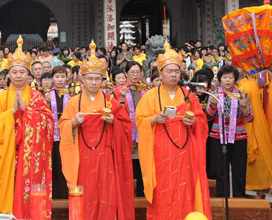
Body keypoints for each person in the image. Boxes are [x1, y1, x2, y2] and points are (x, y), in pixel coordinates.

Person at [59, 41, 134, 219]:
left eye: (97, 78)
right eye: (90, 78)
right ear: (82, 79)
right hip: (81, 156)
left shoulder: (110, 101)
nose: (93, 82)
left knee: (106, 194)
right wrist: (73, 123)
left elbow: (126, 126)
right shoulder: (73, 102)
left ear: (103, 79)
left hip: (105, 155)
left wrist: (113, 121)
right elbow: (63, 126)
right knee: (85, 194)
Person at [136, 42, 211, 220]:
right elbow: (140, 122)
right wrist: (153, 120)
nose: (173, 74)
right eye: (169, 71)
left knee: (184, 190)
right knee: (162, 193)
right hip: (159, 155)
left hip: (184, 154)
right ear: (160, 73)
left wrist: (192, 122)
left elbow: (202, 122)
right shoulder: (150, 97)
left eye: (176, 71)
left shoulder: (188, 95)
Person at [0, 36, 54, 218]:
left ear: (29, 75)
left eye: (22, 72)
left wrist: (27, 111)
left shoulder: (37, 97)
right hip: (7, 151)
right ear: (8, 74)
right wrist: (11, 112)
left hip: (30, 154)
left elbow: (48, 122)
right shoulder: (1, 98)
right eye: (14, 72)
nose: (18, 76)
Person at [206, 65, 253, 197]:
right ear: (220, 79)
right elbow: (208, 117)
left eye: (230, 77)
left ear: (235, 79)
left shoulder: (242, 95)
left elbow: (250, 118)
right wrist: (213, 105)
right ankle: (222, 200)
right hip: (218, 137)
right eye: (224, 77)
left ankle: (239, 201)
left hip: (239, 137)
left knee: (239, 171)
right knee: (221, 172)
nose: (227, 80)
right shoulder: (214, 95)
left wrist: (245, 109)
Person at [115, 61, 150, 197]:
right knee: (128, 165)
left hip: (143, 133)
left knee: (143, 165)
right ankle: (127, 195)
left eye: (138, 72)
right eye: (132, 72)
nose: (135, 75)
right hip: (126, 134)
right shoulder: (119, 90)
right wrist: (122, 98)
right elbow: (117, 112)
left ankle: (142, 194)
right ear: (126, 74)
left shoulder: (146, 89)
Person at [235, 68, 272, 192]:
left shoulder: (243, 88)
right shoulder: (251, 83)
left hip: (251, 126)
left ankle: (257, 192)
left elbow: (241, 104)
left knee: (256, 165)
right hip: (261, 126)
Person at [44, 66, 70, 199]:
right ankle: (55, 196)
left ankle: (66, 195)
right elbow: (43, 116)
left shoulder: (71, 93)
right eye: (57, 77)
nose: (60, 80)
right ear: (52, 79)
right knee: (55, 164)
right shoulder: (48, 94)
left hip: (68, 135)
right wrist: (46, 103)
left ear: (67, 78)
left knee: (66, 165)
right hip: (52, 136)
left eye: (62, 77)